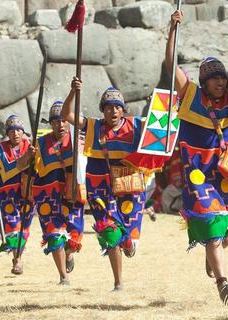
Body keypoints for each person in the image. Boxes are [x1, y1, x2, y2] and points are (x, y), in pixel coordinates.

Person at [165, 7, 228, 305]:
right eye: (214, 78)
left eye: (222, 77)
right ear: (204, 82)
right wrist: (172, 30)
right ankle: (223, 283)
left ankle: (213, 249)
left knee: (227, 230)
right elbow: (171, 66)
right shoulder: (191, 96)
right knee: (210, 222)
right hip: (200, 177)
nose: (220, 82)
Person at [62, 83, 149, 291]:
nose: (114, 111)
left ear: (123, 109)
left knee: (126, 233)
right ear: (103, 109)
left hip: (130, 186)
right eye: (109, 107)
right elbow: (67, 114)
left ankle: (128, 240)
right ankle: (118, 283)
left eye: (118, 107)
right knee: (109, 232)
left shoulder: (136, 126)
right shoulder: (93, 127)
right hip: (100, 187)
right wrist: (73, 92)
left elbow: (162, 132)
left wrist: (163, 109)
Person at [22, 101, 86, 285]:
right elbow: (20, 166)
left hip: (71, 196)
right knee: (54, 235)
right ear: (51, 123)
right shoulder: (40, 143)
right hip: (47, 198)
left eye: (64, 120)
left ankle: (69, 253)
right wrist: (28, 156)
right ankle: (63, 277)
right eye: (56, 121)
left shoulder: (78, 140)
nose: (61, 124)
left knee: (74, 236)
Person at [0, 115, 34, 275]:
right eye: (11, 131)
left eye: (18, 130)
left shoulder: (31, 147)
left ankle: (18, 257)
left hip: (26, 193)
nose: (15, 133)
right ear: (7, 133)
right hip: (6, 195)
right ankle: (18, 260)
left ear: (23, 132)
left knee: (24, 228)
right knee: (13, 227)